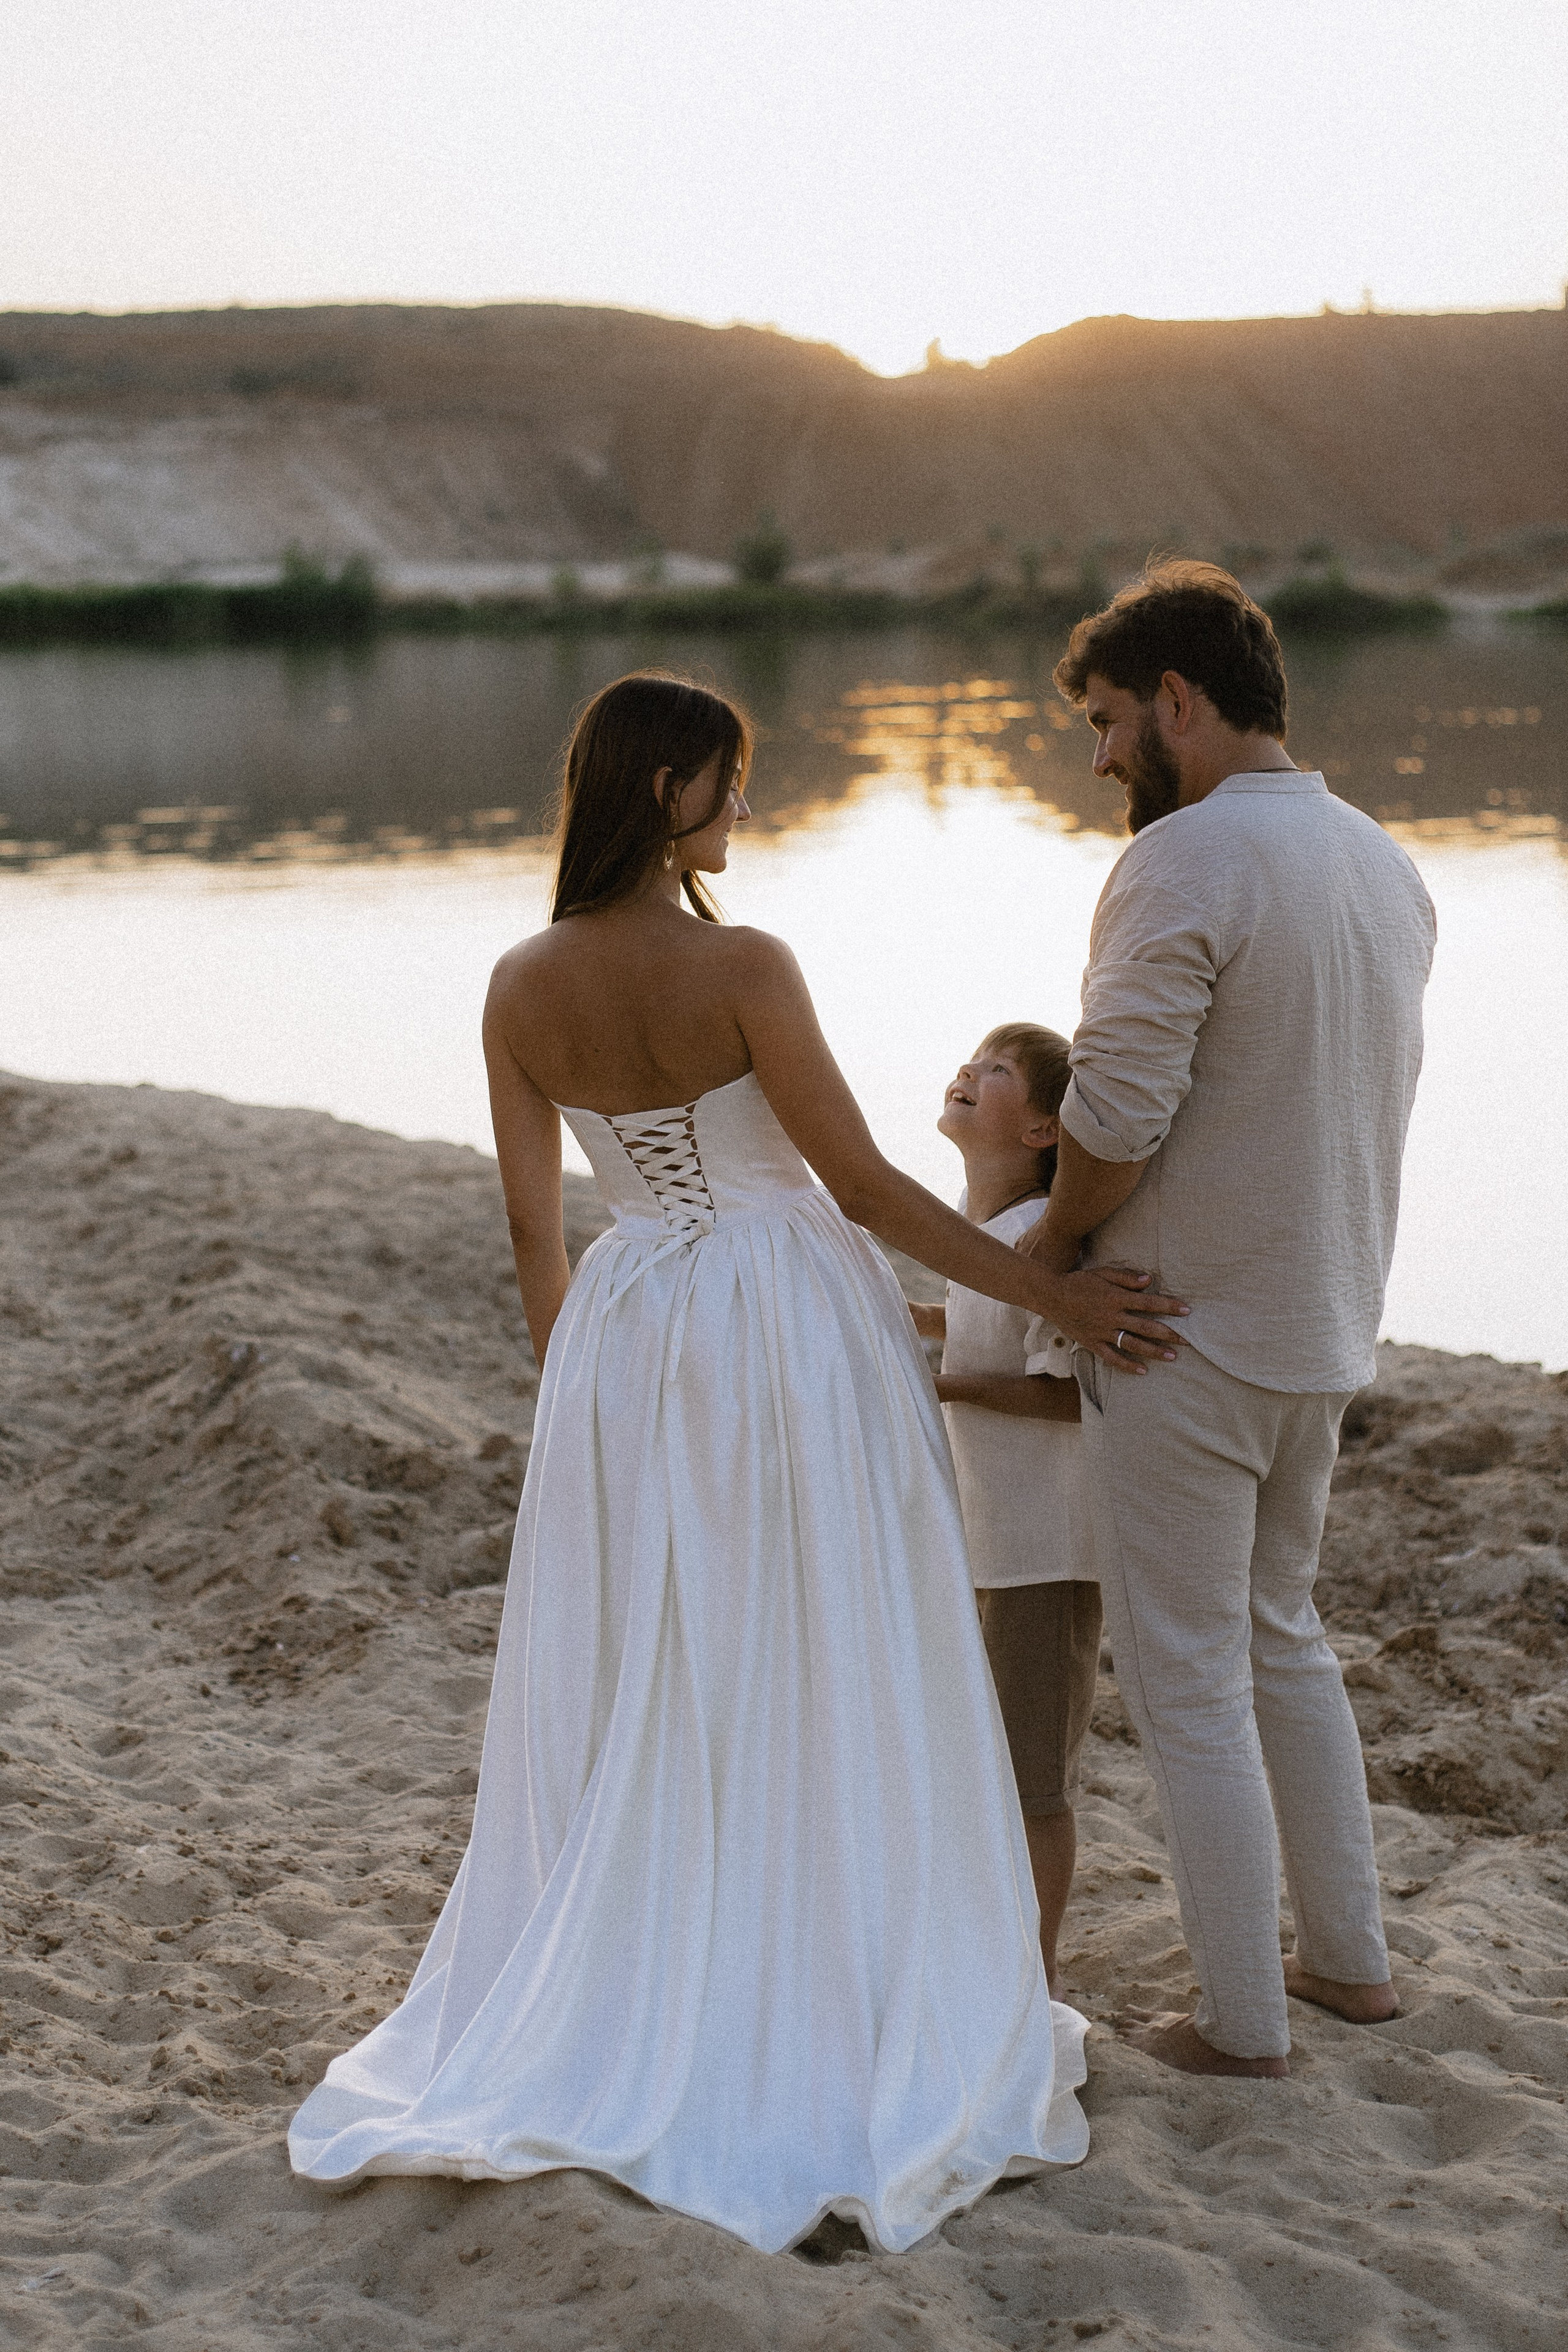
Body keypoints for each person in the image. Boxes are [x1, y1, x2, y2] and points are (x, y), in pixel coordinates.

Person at [288, 672, 1188, 2253]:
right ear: (664, 793)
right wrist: (1047, 1289)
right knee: (814, 1634)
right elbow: (857, 1187)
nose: (745, 806)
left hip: (627, 1322)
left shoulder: (515, 982)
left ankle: (658, 1962)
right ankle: (806, 1976)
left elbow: (528, 1221)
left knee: (663, 1647)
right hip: (779, 1317)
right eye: (729, 780)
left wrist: (580, 1375)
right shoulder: (745, 963)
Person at [1022, 562, 1436, 2078]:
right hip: (1323, 1316)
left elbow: (1115, 1117)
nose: (1100, 757)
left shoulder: (1184, 862)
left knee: (1188, 1673)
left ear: (1179, 705)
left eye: (1110, 720)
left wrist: (1052, 1255)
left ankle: (1240, 2025)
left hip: (1172, 1332)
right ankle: (1350, 1969)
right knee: (1284, 1642)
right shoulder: (1382, 860)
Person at [907, 1024, 1099, 1997]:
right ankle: (995, 1955)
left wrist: (942, 1389)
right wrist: (918, 1324)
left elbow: (1069, 1393)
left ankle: (1037, 1974)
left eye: (995, 1070)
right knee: (989, 1764)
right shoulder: (980, 1231)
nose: (966, 1072)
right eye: (970, 1058)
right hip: (990, 1538)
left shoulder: (1040, 1240)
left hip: (1046, 1550)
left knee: (1033, 1784)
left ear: (1040, 1130)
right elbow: (988, 1322)